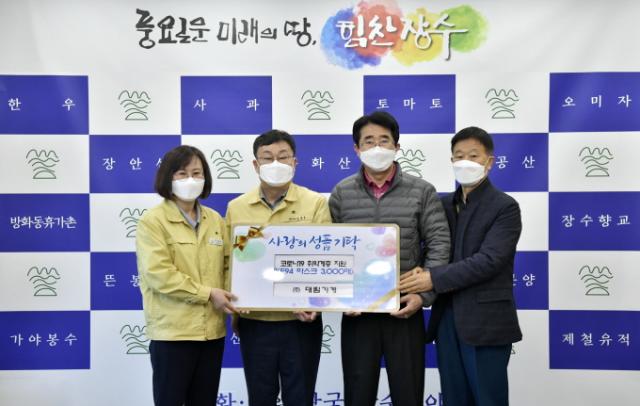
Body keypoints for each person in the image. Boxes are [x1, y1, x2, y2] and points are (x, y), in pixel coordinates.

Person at [328, 111, 450, 406]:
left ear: (397, 147)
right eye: (368, 141)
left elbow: (439, 243)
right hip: (358, 315)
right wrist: (342, 297)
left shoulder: (422, 191)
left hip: (404, 307)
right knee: (357, 395)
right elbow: (330, 252)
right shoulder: (341, 193)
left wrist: (424, 295)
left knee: (408, 395)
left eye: (384, 140)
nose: (377, 147)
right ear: (356, 149)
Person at [399, 126, 523, 406]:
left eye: (474, 155)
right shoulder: (442, 205)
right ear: (452, 161)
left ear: (489, 162)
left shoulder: (505, 207)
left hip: (486, 322)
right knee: (454, 398)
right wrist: (420, 277)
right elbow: (433, 251)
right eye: (459, 156)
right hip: (446, 320)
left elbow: (489, 261)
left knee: (488, 399)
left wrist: (432, 278)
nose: (465, 162)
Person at [225, 129, 332, 406]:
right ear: (255, 164)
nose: (276, 163)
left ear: (295, 162)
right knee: (260, 398)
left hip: (300, 323)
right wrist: (236, 300)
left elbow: (326, 260)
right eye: (267, 157)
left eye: (283, 157)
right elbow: (229, 262)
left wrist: (314, 301)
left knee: (300, 398)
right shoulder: (237, 207)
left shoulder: (315, 203)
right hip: (255, 322)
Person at [135, 145, 237, 406]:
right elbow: (159, 274)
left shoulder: (215, 220)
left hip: (211, 334)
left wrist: (242, 297)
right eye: (182, 174)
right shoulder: (153, 222)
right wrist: (208, 294)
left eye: (197, 173)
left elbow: (230, 267)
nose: (190, 180)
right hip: (173, 334)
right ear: (168, 178)